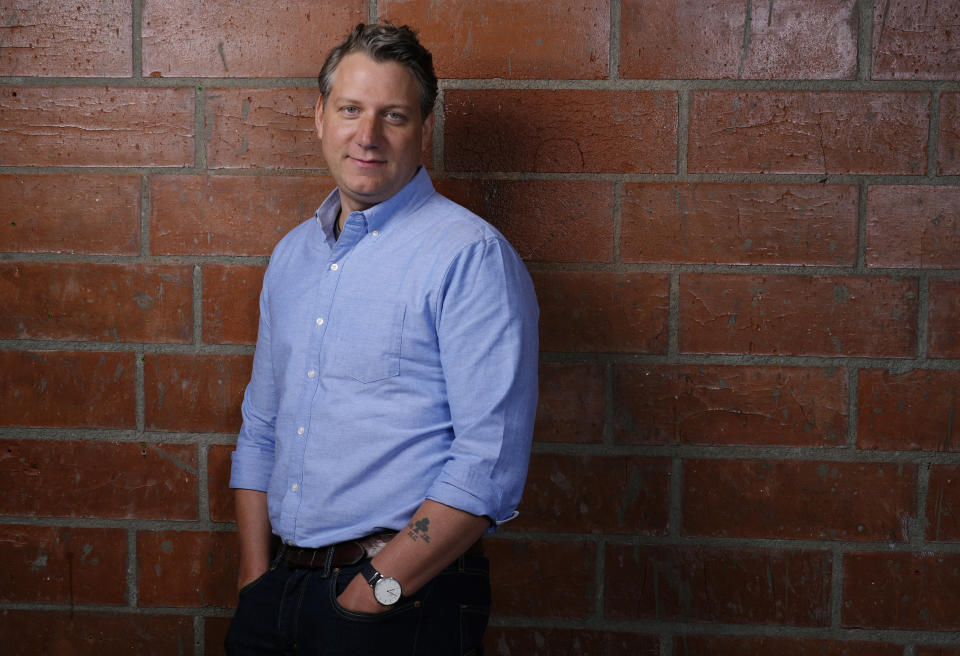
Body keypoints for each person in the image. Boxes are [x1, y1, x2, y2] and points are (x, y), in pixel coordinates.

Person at [225, 22, 539, 655]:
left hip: (400, 602)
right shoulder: (292, 256)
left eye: (392, 115)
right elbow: (261, 426)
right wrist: (255, 578)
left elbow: (488, 464)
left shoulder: (468, 256)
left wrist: (375, 592)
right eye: (350, 110)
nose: (366, 137)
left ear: (423, 129)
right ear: (319, 117)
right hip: (278, 592)